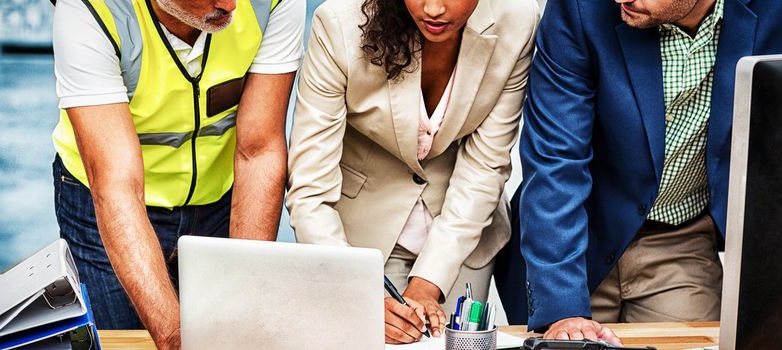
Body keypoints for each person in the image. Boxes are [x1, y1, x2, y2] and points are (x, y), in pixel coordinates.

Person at [516, 0, 782, 341]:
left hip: (681, 238)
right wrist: (563, 311)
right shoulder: (579, 7)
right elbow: (555, 160)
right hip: (577, 233)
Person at [50, 0, 303, 347]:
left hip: (221, 202)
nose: (230, 5)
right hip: (107, 208)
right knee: (122, 342)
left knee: (236, 334)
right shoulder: (89, 10)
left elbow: (257, 151)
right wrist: (174, 338)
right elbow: (117, 186)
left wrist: (246, 302)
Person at [285, 0, 539, 344]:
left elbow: (486, 165)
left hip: (461, 233)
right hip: (359, 240)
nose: (433, 9)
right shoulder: (339, 23)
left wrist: (429, 282)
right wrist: (358, 293)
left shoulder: (519, 18)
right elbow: (310, 188)